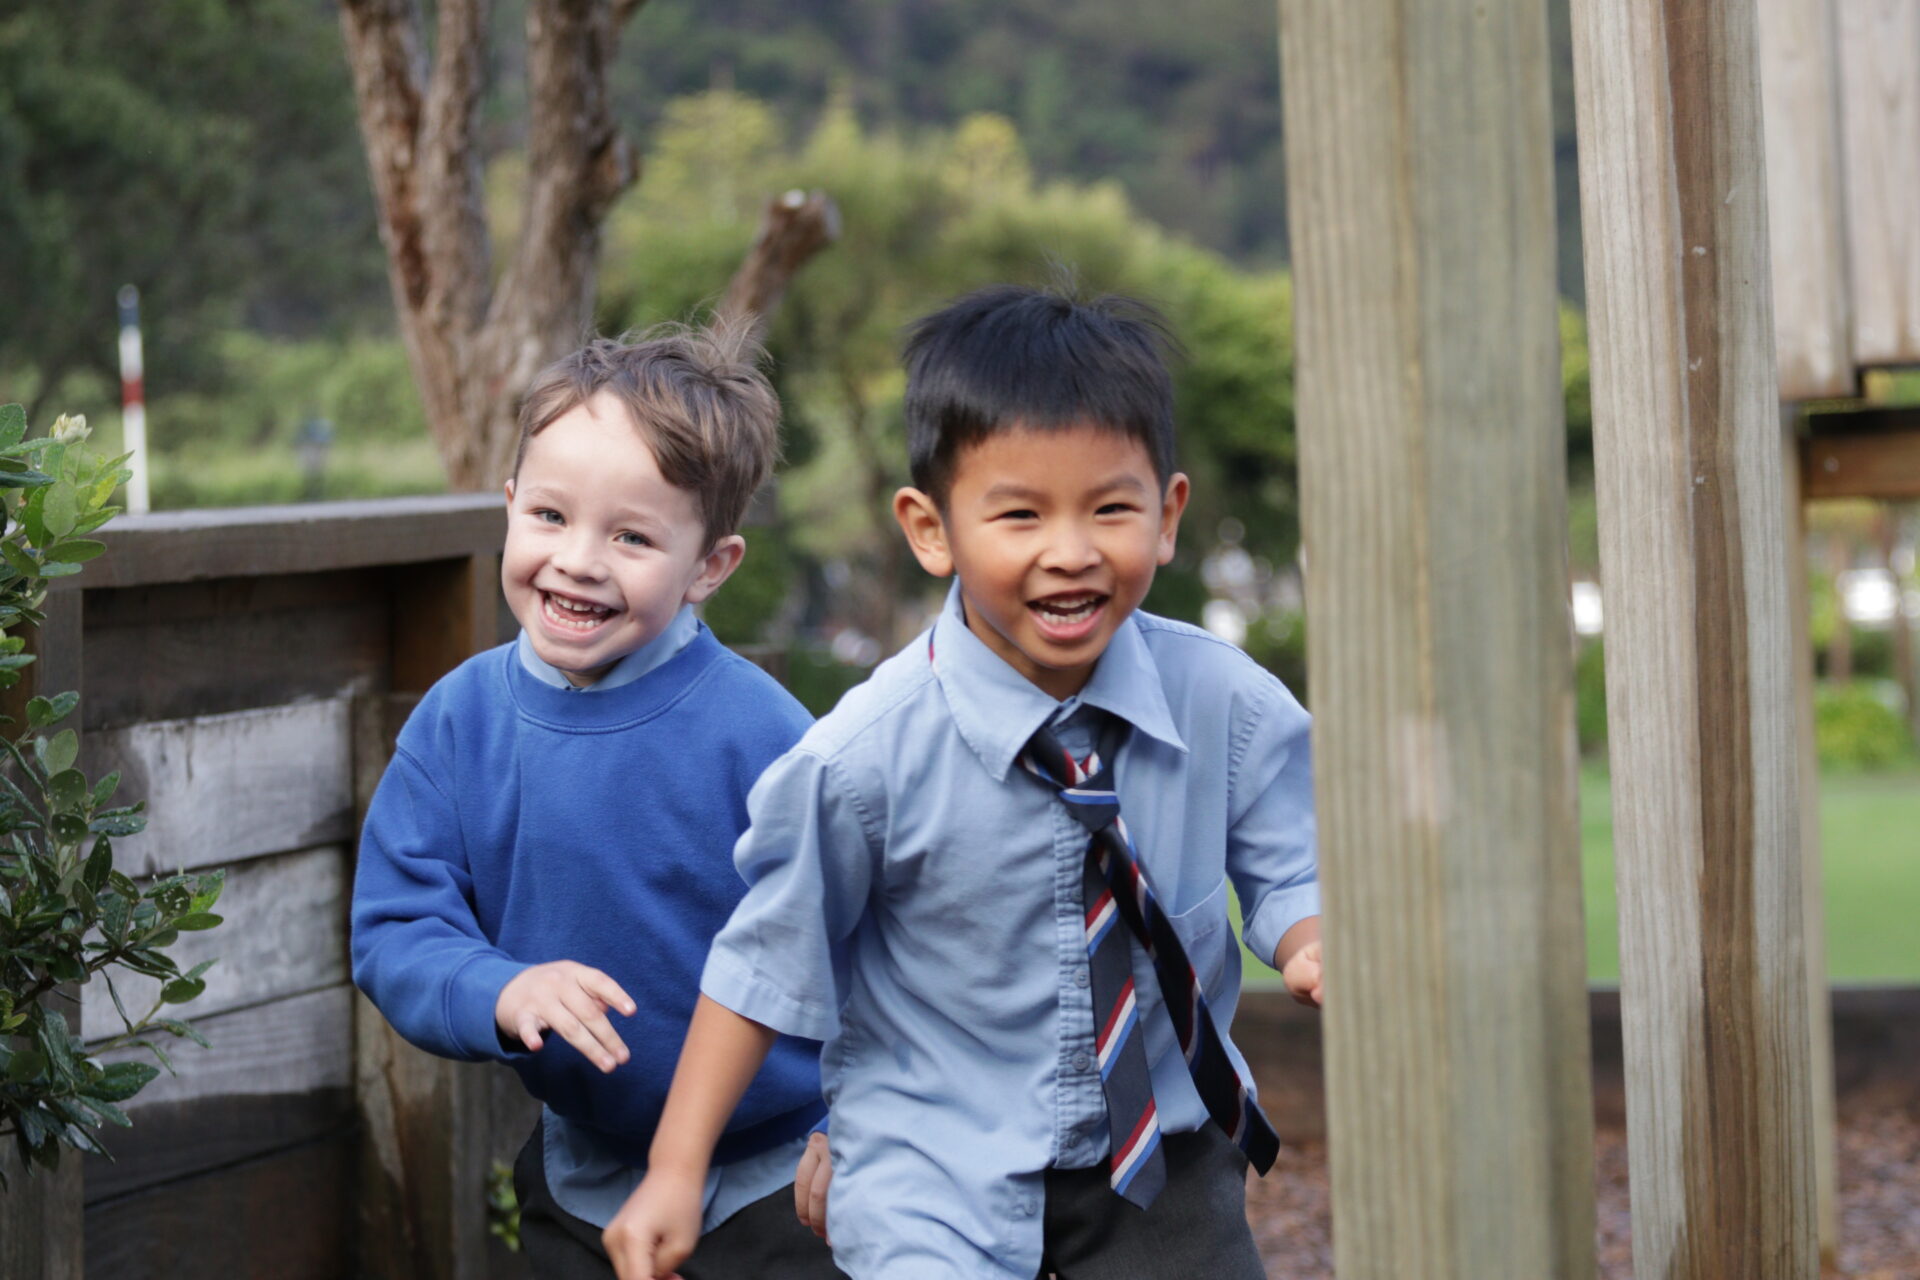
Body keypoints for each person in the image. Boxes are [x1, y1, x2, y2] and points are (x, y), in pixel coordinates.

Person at [605, 285, 1324, 1280]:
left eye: (1110, 507)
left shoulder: (1225, 702)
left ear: (1168, 514)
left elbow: (1299, 861)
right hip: (933, 1162)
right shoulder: (866, 753)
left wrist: (1312, 936)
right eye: (1020, 513)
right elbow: (766, 962)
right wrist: (675, 1169)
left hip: (1165, 1142)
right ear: (930, 527)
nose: (1070, 551)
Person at [350, 323, 842, 1280]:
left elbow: (878, 946)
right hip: (580, 1180)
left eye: (630, 536)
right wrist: (501, 987)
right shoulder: (460, 723)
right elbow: (395, 927)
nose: (577, 560)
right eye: (548, 516)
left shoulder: (771, 739)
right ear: (507, 507)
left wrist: (862, 1122)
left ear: (711, 566)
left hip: (783, 1183)